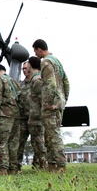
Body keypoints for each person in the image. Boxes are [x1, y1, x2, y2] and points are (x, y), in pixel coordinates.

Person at [33, 39, 69, 172]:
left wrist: (47, 103)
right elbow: (66, 82)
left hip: (51, 105)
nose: (36, 54)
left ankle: (60, 165)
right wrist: (63, 100)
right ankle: (52, 165)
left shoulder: (46, 62)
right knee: (50, 135)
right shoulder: (57, 61)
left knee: (53, 136)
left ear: (39, 49)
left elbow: (51, 84)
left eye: (35, 51)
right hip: (59, 103)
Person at [0, 64, 22, 174]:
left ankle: (3, 168)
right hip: (16, 116)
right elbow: (20, 99)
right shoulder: (14, 81)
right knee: (13, 143)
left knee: (1, 142)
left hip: (4, 116)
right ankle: (13, 168)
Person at [24, 56, 47, 169]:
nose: (26, 67)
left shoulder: (37, 79)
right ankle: (39, 165)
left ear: (31, 65)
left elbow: (41, 99)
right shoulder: (36, 79)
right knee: (36, 142)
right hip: (34, 116)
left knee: (39, 142)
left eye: (27, 65)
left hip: (37, 117)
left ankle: (44, 164)